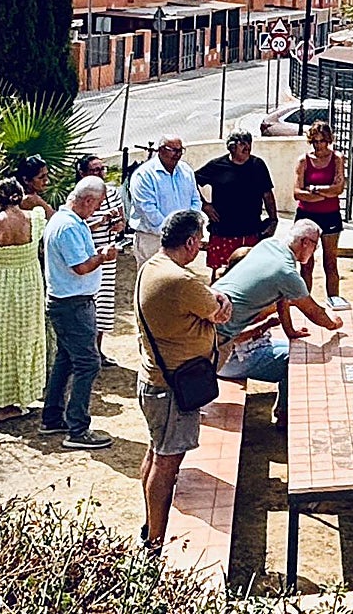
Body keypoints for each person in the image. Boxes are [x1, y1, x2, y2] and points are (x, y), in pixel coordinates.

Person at [135, 209, 234, 556]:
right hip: (173, 390)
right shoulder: (182, 281)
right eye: (200, 239)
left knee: (155, 453)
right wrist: (220, 302)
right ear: (190, 241)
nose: (202, 245)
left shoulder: (152, 266)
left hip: (156, 382)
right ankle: (154, 543)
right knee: (166, 463)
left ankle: (149, 525)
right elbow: (218, 312)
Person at [214, 220, 345, 427]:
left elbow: (282, 298)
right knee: (296, 362)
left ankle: (284, 409)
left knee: (299, 350)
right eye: (315, 245)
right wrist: (334, 324)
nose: (315, 251)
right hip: (224, 351)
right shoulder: (286, 272)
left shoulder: (269, 246)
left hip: (217, 334)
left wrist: (290, 331)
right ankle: (284, 416)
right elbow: (313, 312)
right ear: (305, 242)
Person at [39, 176, 119, 450]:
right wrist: (104, 256)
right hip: (73, 304)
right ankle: (77, 429)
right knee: (88, 363)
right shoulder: (68, 227)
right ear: (87, 200)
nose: (96, 210)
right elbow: (81, 267)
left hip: (68, 302)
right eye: (96, 204)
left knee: (66, 359)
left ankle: (52, 417)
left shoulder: (67, 221)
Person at [0, 177, 47, 422]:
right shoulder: (36, 218)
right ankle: (22, 396)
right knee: (25, 337)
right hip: (29, 286)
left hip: (0, 287)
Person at [194, 130, 278, 282]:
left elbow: (267, 194)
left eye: (249, 142)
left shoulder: (257, 165)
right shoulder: (216, 166)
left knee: (250, 274)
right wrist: (204, 205)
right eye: (242, 143)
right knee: (220, 274)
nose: (247, 147)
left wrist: (273, 220)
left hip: (251, 230)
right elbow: (191, 181)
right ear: (232, 147)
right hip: (223, 230)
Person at [76, 155, 125, 367]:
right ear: (83, 173)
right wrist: (102, 219)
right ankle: (84, 353)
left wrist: (118, 224)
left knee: (103, 305)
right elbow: (76, 227)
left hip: (108, 256)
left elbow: (122, 220)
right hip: (87, 255)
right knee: (87, 304)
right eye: (94, 170)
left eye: (101, 169)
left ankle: (98, 351)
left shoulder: (112, 193)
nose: (100, 174)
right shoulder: (78, 197)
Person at [128, 135, 202, 269]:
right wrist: (171, 232)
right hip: (152, 238)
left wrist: (189, 227)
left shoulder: (186, 170)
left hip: (182, 239)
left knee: (178, 277)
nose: (177, 155)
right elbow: (147, 209)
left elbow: (195, 200)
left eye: (180, 150)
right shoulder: (144, 174)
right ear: (161, 150)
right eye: (174, 150)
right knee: (152, 278)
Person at [293, 121, 345, 299]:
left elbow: (338, 188)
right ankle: (305, 301)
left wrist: (315, 189)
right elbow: (297, 193)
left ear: (328, 140)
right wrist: (325, 194)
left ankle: (334, 300)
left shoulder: (337, 158)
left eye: (322, 141)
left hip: (330, 215)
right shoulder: (304, 161)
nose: (318, 145)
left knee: (330, 262)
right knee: (306, 263)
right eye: (315, 141)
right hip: (307, 215)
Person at [16, 155, 53, 219]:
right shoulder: (29, 200)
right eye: (41, 177)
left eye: (46, 175)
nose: (47, 181)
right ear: (26, 180)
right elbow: (54, 217)